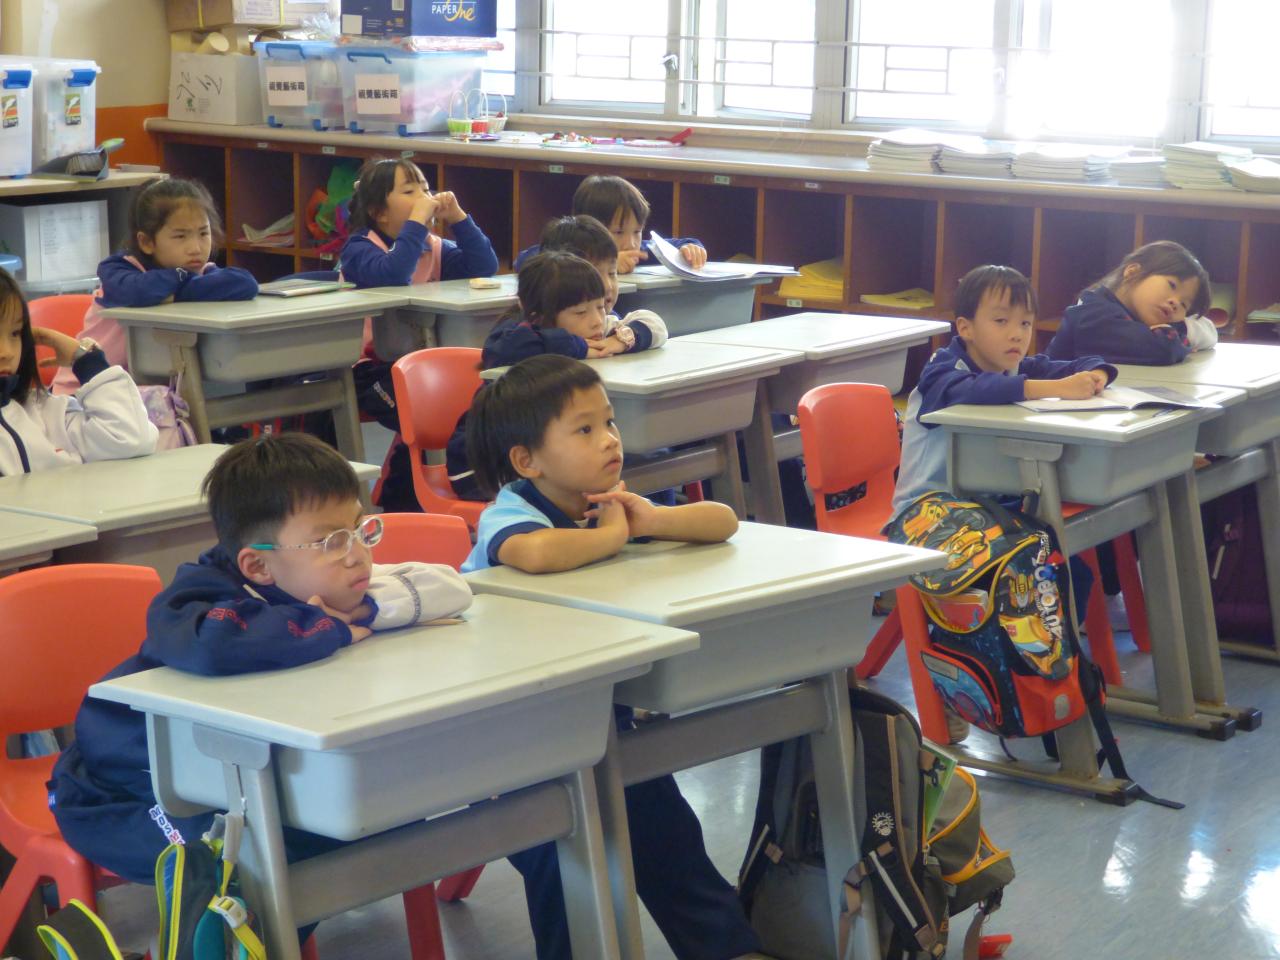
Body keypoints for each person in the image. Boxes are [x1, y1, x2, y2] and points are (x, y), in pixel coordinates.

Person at [48, 433, 473, 895]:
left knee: (364, 821)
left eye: (360, 529)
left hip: (239, 781)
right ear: (258, 567)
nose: (357, 554)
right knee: (239, 861)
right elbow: (213, 643)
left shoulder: (329, 583)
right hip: (121, 791)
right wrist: (323, 627)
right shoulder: (198, 599)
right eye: (331, 540)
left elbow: (450, 588)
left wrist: (366, 610)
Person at [460, 354, 759, 960]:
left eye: (610, 422)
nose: (609, 440)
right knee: (559, 858)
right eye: (585, 429)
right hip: (506, 744)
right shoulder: (512, 511)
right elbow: (534, 554)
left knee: (666, 830)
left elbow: (723, 521)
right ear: (528, 461)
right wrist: (614, 536)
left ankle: (729, 949)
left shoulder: (611, 502)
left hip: (598, 719)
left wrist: (656, 518)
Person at [891, 265, 1118, 742]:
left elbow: (1083, 362)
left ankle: (1047, 675)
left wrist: (1096, 374)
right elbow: (972, 393)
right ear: (965, 328)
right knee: (1010, 572)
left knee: (1065, 568)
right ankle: (961, 687)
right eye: (1001, 321)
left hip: (990, 511)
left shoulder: (1017, 367)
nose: (1016, 334)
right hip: (928, 515)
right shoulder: (943, 372)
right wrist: (1052, 389)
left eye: (1025, 323)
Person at [445, 248, 666, 500]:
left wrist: (622, 340)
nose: (597, 320)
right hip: (483, 468)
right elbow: (502, 347)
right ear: (539, 316)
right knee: (603, 471)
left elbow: (655, 324)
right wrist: (577, 346)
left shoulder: (595, 330)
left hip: (539, 459)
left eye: (601, 306)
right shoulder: (519, 341)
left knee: (654, 457)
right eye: (581, 312)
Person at [52, 177, 257, 394]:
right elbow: (140, 292)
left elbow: (245, 283)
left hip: (140, 394)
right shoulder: (118, 270)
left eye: (203, 233)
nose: (196, 248)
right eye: (180, 236)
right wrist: (184, 279)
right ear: (147, 242)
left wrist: (174, 291)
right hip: (81, 391)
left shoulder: (202, 271)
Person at [0, 267, 156, 474]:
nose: (6, 352)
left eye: (15, 333)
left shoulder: (43, 411)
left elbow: (130, 438)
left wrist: (85, 359)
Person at [338, 156, 498, 293]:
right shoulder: (358, 249)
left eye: (426, 189)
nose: (425, 198)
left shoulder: (433, 248)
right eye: (409, 191)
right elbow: (394, 276)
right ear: (379, 213)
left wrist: (458, 218)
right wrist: (416, 221)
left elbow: (484, 268)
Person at [1046, 240, 1216, 365]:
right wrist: (1182, 333)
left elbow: (1209, 332)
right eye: (1172, 285)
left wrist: (1182, 330)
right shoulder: (1093, 315)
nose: (1175, 303)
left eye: (1184, 305)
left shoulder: (1137, 315)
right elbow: (1163, 349)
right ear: (1133, 272)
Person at [515, 174, 707, 273]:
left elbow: (675, 245)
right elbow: (525, 260)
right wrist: (602, 262)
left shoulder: (640, 253)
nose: (631, 243)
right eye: (618, 232)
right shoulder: (572, 252)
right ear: (589, 228)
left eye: (637, 231)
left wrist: (690, 249)